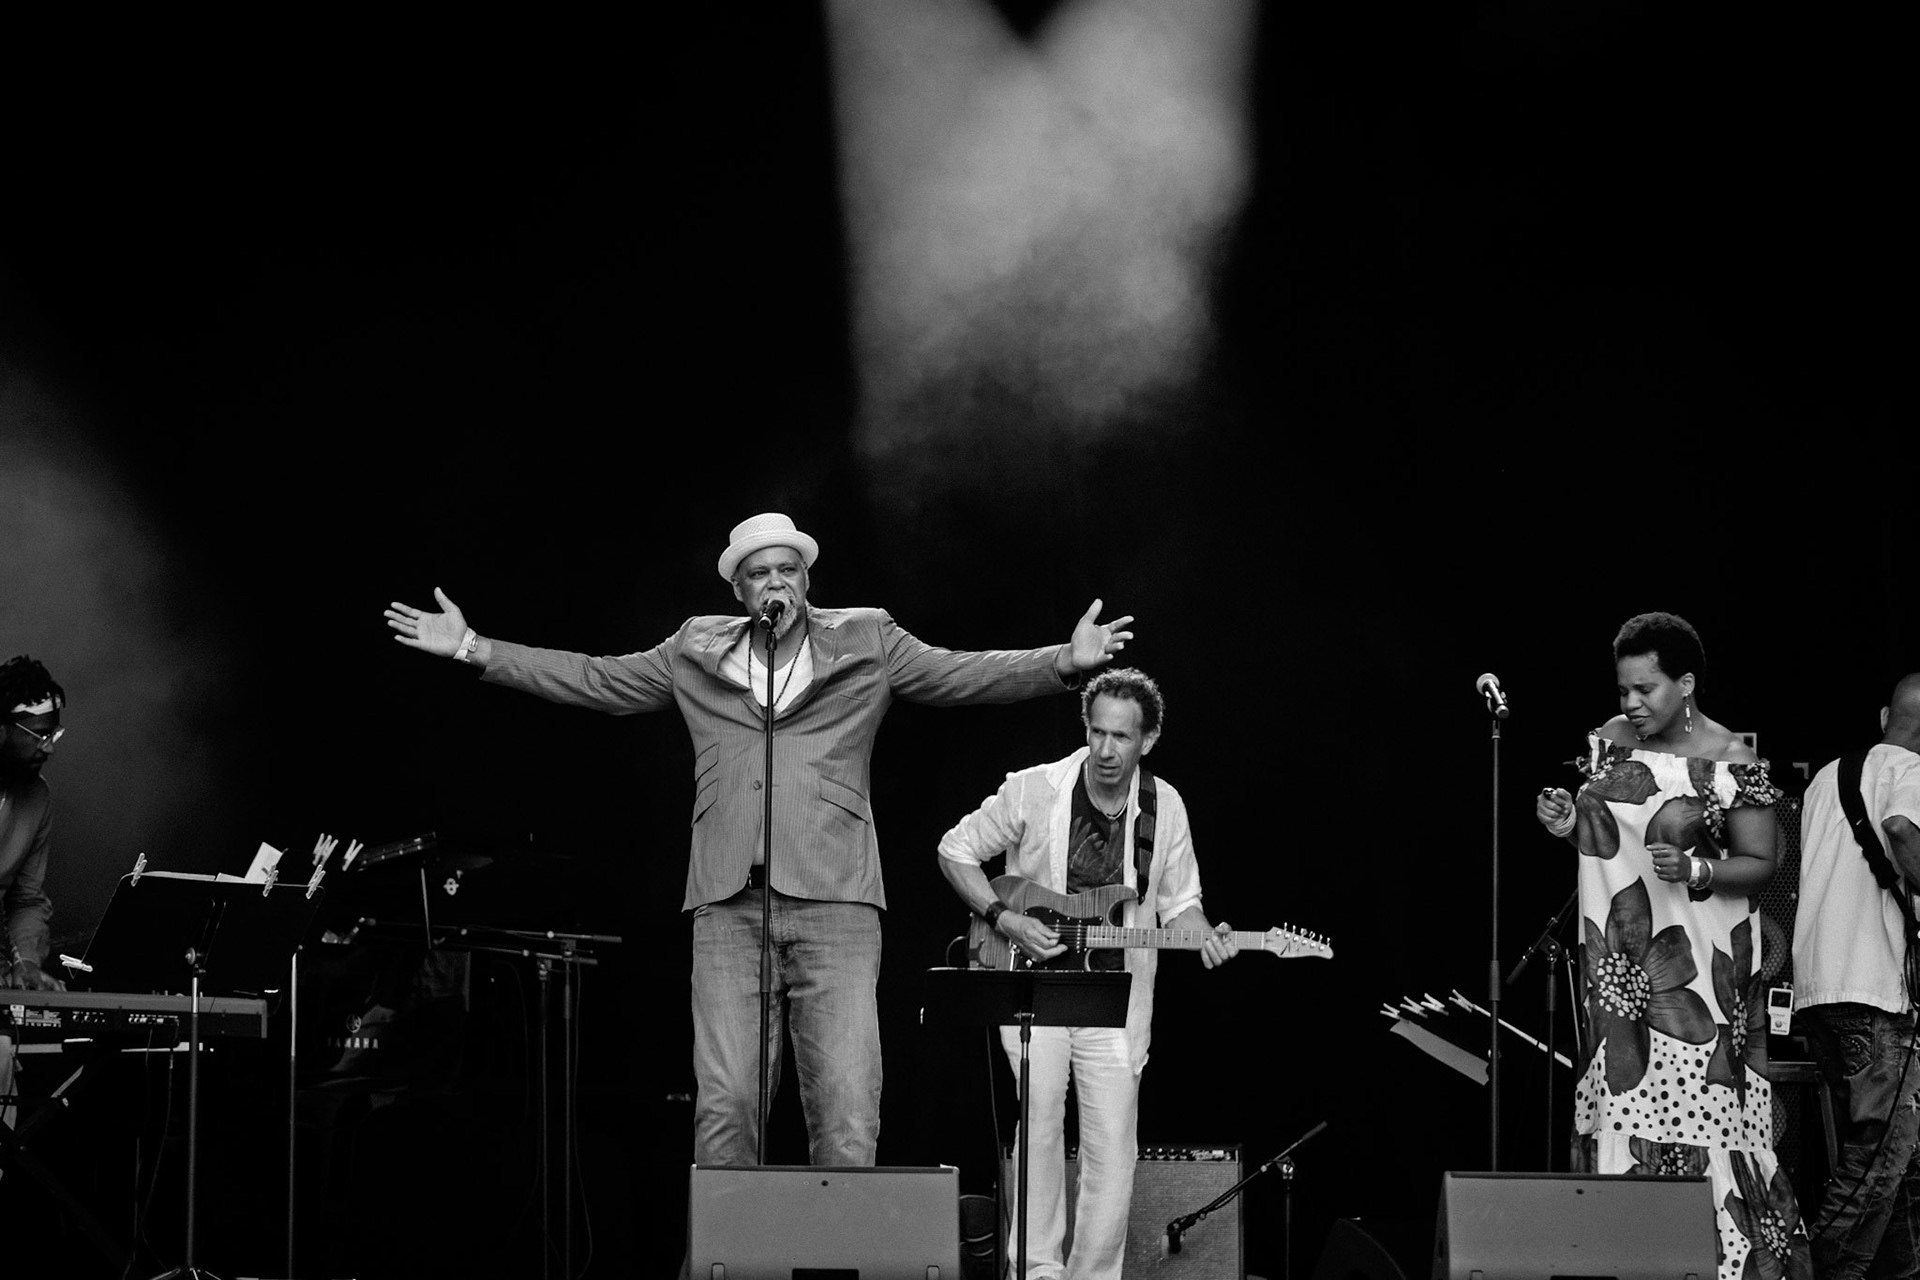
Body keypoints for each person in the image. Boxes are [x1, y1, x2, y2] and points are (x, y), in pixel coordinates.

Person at [383, 512, 1133, 1169]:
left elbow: (959, 673)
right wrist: (472, 647)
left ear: (806, 580)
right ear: (739, 590)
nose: (777, 582)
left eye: (788, 570)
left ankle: (842, 1260)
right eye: (760, 573)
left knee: (847, 1106)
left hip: (836, 900)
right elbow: (597, 680)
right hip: (726, 904)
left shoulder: (867, 637)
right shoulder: (694, 647)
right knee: (726, 1105)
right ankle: (729, 1260)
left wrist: (1062, 664)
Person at [1535, 612, 1809, 1280]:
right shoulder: (1609, 741)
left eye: (1645, 689)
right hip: (1620, 968)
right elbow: (1609, 842)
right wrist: (1567, 822)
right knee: (1623, 1108)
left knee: (1707, 1116)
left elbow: (1763, 864)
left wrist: (1697, 869)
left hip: (1702, 971)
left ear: (1685, 684)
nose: (1631, 702)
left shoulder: (1731, 756)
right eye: (1623, 688)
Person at [937, 667, 1235, 1280]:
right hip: (1033, 984)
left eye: (1121, 737)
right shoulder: (1034, 789)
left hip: (1117, 996)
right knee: (1039, 1125)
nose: (1105, 749)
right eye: (1097, 732)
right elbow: (954, 850)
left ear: (1148, 739)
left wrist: (1205, 935)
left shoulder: (1165, 806)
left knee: (1113, 1147)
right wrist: (1004, 918)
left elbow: (1181, 902)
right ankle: (1035, 1271)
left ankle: (1093, 1276)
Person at [1791, 673, 1920, 1277]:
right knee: (1880, 1158)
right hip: (1874, 992)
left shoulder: (1827, 776)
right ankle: (1815, 1270)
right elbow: (1900, 829)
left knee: (1893, 1157)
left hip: (1820, 989)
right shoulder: (1912, 769)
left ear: (1884, 717)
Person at [1, 655, 67, 1137]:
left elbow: (26, 899)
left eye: (54, 734)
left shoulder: (38, 797)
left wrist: (25, 961)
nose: (48, 747)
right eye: (39, 734)